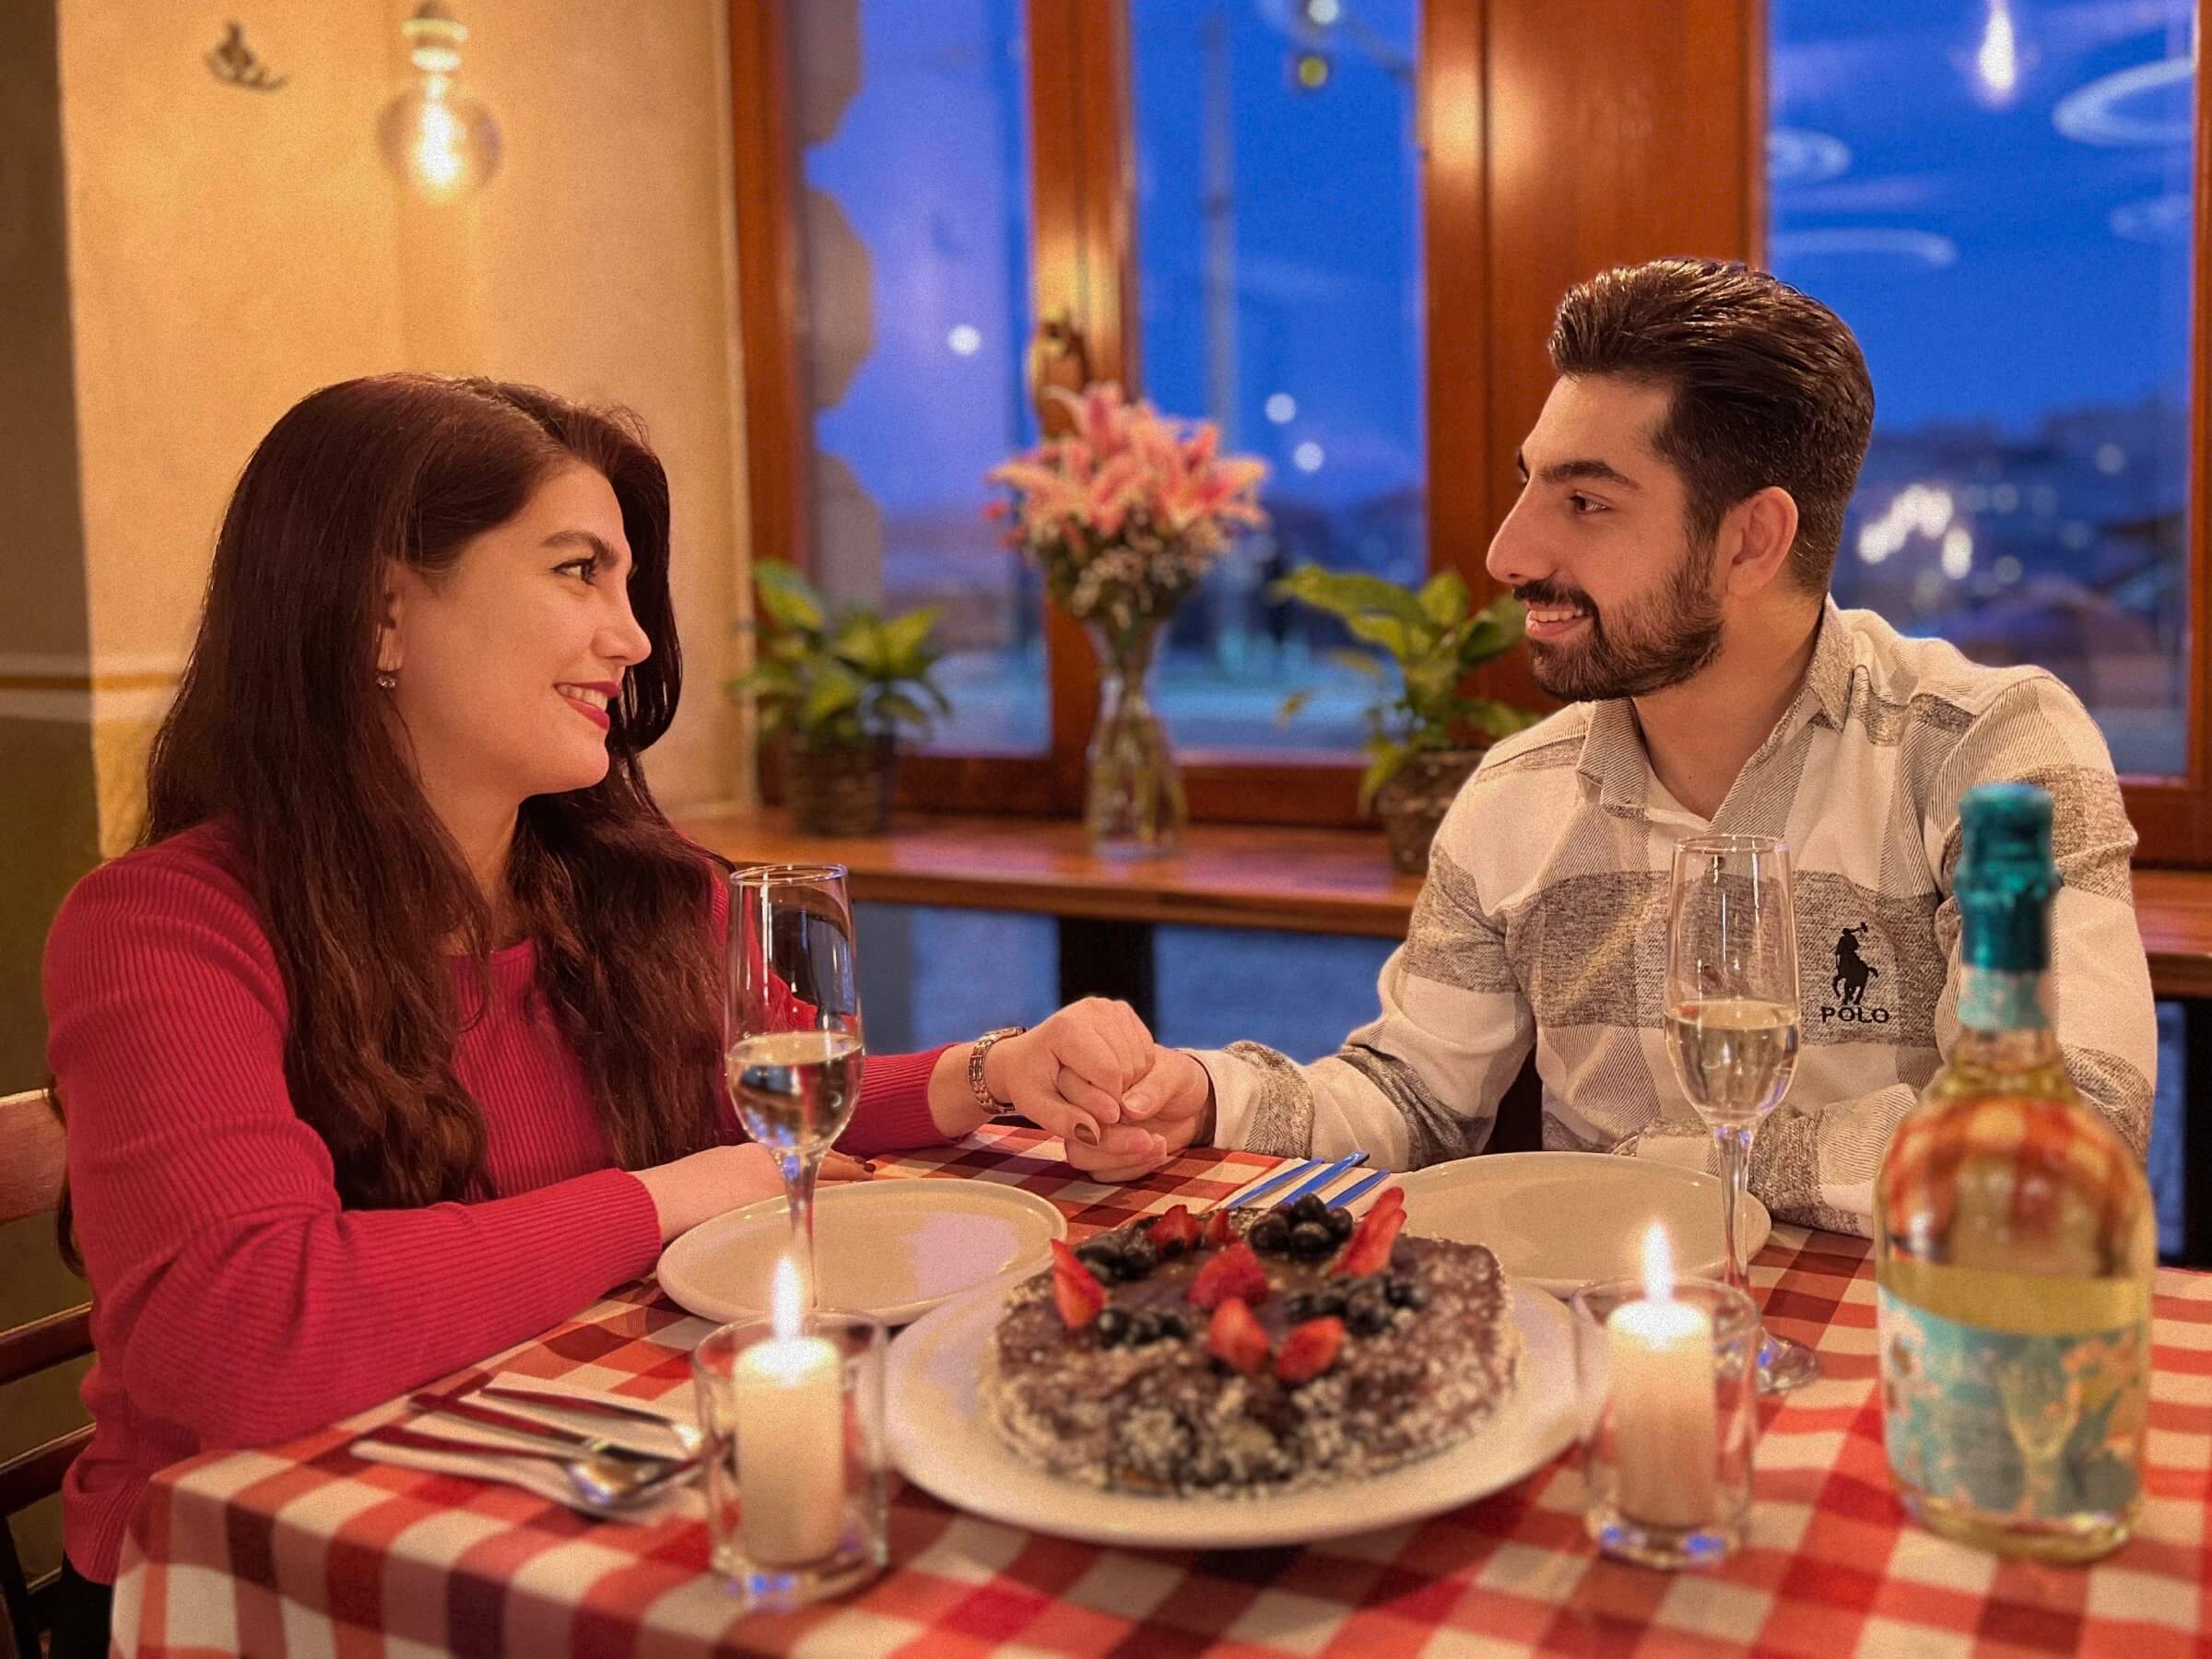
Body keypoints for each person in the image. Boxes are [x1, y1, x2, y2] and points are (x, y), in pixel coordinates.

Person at [39, 373, 1159, 1653]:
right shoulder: (165, 930)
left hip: (542, 1518)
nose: (631, 639)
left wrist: (998, 1072)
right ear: (382, 613)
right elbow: (247, 1330)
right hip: (241, 1590)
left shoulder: (630, 888)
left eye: (628, 587)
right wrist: (664, 1198)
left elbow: (782, 1113)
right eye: (579, 572)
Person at [1087, 257, 2157, 1233]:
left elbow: (2070, 1133)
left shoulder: (1988, 754)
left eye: (1586, 501)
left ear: (1751, 541)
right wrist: (1202, 1097)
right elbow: (1412, 1101)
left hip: (1913, 1350)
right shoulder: (1517, 797)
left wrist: (1684, 1169)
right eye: (1528, 485)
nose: (1509, 551)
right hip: (1599, 1347)